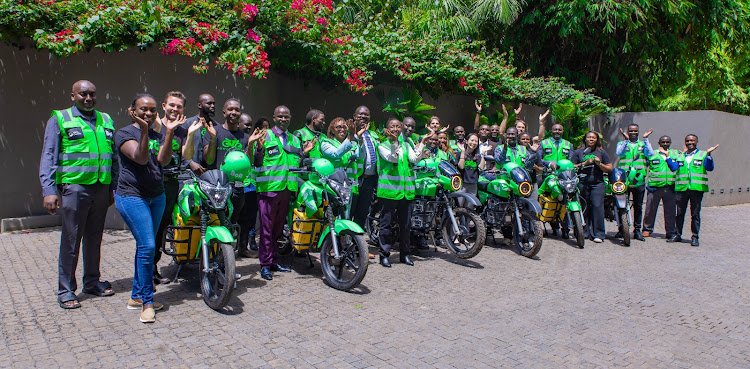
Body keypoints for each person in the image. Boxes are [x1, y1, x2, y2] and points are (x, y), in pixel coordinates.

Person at [39, 80, 118, 309]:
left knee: (95, 238)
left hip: (101, 187)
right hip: (75, 189)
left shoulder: (106, 119)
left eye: (92, 94)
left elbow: (113, 157)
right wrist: (48, 190)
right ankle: (66, 290)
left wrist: (113, 186)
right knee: (72, 240)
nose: (88, 98)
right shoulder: (60, 119)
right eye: (83, 94)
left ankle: (92, 281)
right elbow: (49, 155)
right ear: (72, 96)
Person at [115, 93, 181, 323]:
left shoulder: (159, 133)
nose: (148, 114)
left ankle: (136, 295)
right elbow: (141, 159)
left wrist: (170, 131)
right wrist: (144, 130)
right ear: (132, 110)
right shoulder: (124, 134)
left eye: (152, 110)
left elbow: (163, 161)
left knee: (145, 247)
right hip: (132, 197)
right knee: (148, 246)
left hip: (157, 196)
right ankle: (147, 302)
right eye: (143, 109)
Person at [254, 106, 316, 280]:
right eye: (280, 116)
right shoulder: (265, 136)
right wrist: (258, 149)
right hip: (269, 190)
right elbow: (257, 162)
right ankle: (265, 264)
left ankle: (273, 261)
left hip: (287, 190)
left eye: (286, 116)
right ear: (274, 117)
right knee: (266, 229)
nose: (283, 119)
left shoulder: (294, 140)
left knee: (278, 229)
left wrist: (304, 153)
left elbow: (296, 162)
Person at [202, 99, 262, 258]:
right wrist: (213, 138)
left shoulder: (245, 137)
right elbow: (208, 160)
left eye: (237, 110)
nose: (233, 113)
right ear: (224, 112)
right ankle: (213, 258)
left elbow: (247, 164)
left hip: (237, 188)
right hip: (216, 187)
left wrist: (250, 145)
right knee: (216, 223)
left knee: (233, 223)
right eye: (230, 109)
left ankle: (227, 259)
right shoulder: (213, 131)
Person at [153, 91, 194, 285]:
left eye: (178, 106)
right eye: (171, 105)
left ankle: (154, 268)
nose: (174, 109)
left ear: (184, 110)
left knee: (163, 228)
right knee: (151, 229)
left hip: (172, 184)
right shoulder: (154, 126)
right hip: (154, 183)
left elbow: (187, 155)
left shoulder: (182, 130)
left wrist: (191, 134)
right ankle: (148, 271)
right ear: (163, 105)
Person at [376, 118, 429, 267]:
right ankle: (384, 255)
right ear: (387, 129)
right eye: (392, 126)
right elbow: (393, 158)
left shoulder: (406, 144)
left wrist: (423, 141)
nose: (395, 129)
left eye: (398, 126)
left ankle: (405, 254)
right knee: (386, 225)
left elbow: (414, 159)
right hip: (389, 192)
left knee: (406, 225)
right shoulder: (382, 146)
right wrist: (394, 143)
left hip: (406, 193)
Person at [667, 134, 718, 246]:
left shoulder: (703, 154)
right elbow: (673, 168)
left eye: (692, 140)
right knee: (679, 213)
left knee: (695, 214)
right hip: (682, 189)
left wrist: (709, 155)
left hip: (696, 189)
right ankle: (677, 235)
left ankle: (695, 237)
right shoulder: (680, 156)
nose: (690, 142)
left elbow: (710, 168)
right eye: (687, 141)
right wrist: (668, 158)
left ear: (697, 142)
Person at [571, 131, 613, 243]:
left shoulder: (602, 153)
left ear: (597, 140)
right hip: (582, 183)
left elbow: (609, 168)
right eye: (589, 137)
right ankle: (583, 232)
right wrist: (584, 163)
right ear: (585, 139)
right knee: (583, 207)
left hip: (597, 183)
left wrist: (599, 164)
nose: (591, 139)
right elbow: (571, 166)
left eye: (593, 138)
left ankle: (598, 234)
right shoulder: (578, 152)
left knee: (597, 206)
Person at [615, 124, 655, 241]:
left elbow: (650, 154)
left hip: (639, 179)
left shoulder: (643, 144)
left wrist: (646, 138)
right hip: (624, 178)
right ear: (627, 131)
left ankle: (637, 230)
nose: (633, 132)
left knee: (638, 206)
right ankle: (622, 229)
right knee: (621, 205)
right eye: (631, 131)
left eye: (635, 131)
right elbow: (619, 153)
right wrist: (626, 141)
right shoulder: (621, 143)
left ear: (638, 132)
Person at [320, 117, 367, 212]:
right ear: (332, 130)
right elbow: (336, 153)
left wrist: (360, 138)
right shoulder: (326, 143)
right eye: (338, 127)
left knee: (347, 217)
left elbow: (361, 156)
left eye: (345, 127)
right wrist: (351, 135)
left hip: (350, 186)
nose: (342, 130)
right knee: (335, 216)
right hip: (334, 187)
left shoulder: (352, 143)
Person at [536, 123, 574, 238]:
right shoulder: (544, 143)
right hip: (547, 176)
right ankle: (554, 227)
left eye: (560, 130)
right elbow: (538, 159)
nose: (557, 131)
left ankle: (566, 229)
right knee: (550, 200)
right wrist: (548, 163)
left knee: (565, 202)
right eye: (555, 129)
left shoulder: (568, 144)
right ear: (551, 131)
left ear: (563, 131)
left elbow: (572, 160)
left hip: (564, 177)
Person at [642, 135, 679, 241]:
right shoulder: (652, 154)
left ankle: (670, 232)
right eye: (663, 142)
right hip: (655, 187)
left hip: (670, 187)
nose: (665, 144)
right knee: (650, 210)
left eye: (667, 142)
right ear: (659, 143)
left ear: (670, 143)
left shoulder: (675, 154)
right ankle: (647, 229)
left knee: (670, 211)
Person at [350, 106, 379, 230]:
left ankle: (357, 245)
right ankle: (342, 243)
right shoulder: (349, 133)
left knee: (362, 214)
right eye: (360, 114)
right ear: (354, 116)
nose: (363, 117)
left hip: (369, 180)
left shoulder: (373, 135)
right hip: (354, 179)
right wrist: (357, 136)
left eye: (366, 115)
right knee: (348, 212)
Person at [238, 113, 260, 253]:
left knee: (248, 219)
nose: (249, 127)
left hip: (251, 186)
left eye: (250, 124)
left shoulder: (252, 139)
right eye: (246, 124)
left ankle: (243, 248)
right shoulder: (235, 138)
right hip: (237, 185)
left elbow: (256, 161)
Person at [182, 94, 219, 175]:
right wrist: (190, 163)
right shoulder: (188, 123)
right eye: (209, 103)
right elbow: (180, 146)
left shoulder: (217, 127)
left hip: (210, 174)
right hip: (190, 174)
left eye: (214, 104)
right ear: (199, 105)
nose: (212, 106)